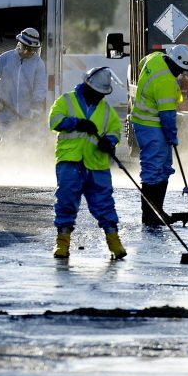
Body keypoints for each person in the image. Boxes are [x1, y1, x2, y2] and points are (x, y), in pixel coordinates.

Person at [49, 67, 125, 260]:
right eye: (98, 93)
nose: (100, 97)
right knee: (66, 201)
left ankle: (114, 243)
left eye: (103, 94)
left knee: (104, 203)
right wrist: (77, 123)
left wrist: (109, 142)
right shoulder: (66, 101)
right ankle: (62, 244)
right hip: (70, 161)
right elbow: (54, 121)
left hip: (96, 165)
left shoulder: (107, 110)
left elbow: (115, 131)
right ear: (87, 86)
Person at [129, 43, 188, 225]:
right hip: (152, 125)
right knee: (153, 169)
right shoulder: (165, 82)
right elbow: (167, 116)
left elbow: (142, 64)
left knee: (163, 167)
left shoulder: (155, 57)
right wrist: (172, 135)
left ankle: (157, 211)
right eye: (180, 69)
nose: (181, 73)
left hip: (144, 121)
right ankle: (150, 215)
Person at [0, 27, 47, 143]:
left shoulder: (39, 64)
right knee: (8, 143)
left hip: (28, 116)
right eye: (26, 48)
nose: (28, 52)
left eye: (31, 49)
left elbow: (40, 88)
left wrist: (36, 108)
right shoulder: (5, 58)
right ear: (20, 44)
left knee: (27, 146)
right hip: (5, 111)